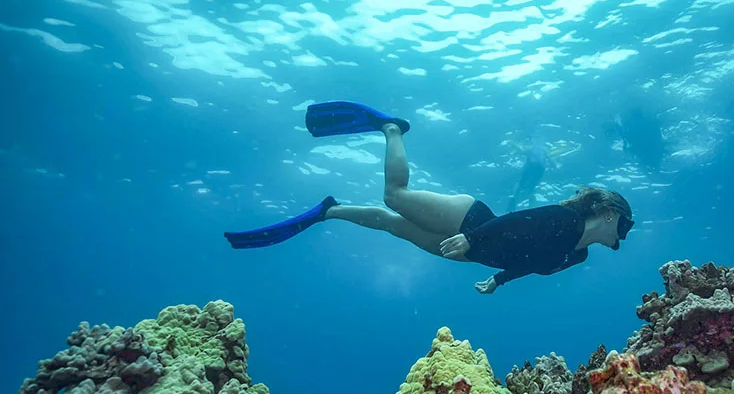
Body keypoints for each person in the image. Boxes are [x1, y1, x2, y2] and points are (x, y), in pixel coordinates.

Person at [224, 101, 635, 294]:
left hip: (475, 252)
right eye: (626, 224)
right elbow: (519, 222)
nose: (626, 234)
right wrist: (472, 238)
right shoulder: (566, 222)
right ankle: (392, 128)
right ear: (608, 212)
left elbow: (530, 262)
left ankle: (328, 211)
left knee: (392, 226)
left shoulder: (577, 254)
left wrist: (498, 278)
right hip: (471, 224)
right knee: (394, 197)